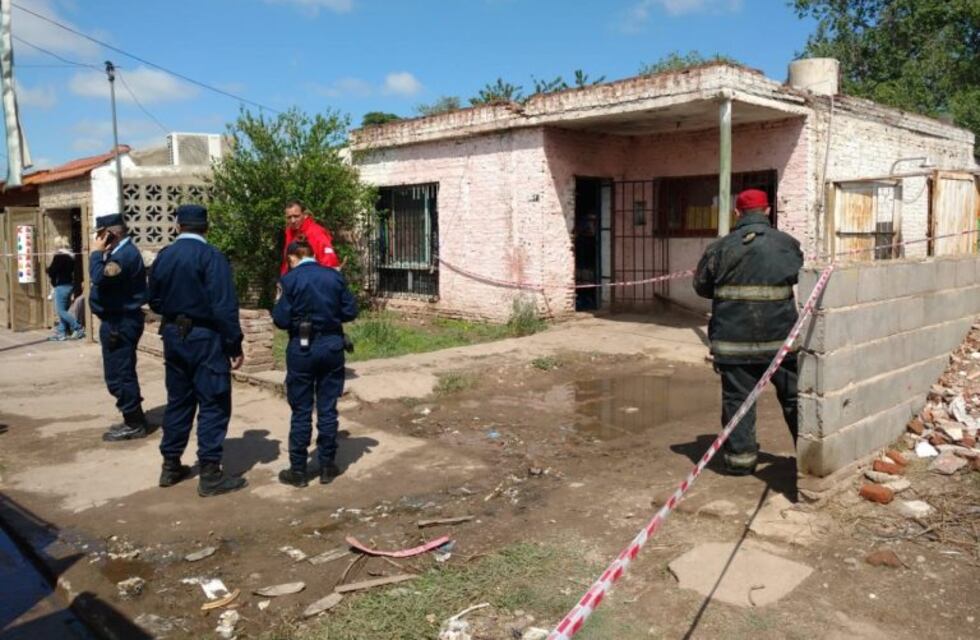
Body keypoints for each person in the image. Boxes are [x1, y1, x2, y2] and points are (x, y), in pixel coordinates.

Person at [693, 189, 804, 476]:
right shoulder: (788, 244)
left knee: (738, 401)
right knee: (794, 400)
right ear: (767, 211)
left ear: (737, 213)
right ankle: (808, 460)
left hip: (734, 344)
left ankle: (741, 462)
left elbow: (702, 287)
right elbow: (799, 275)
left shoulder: (720, 247)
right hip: (781, 344)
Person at [148, 204, 248, 497]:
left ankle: (170, 465)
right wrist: (234, 344)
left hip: (173, 336)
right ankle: (210, 473)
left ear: (178, 226)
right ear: (206, 227)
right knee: (213, 401)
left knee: (179, 401)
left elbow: (153, 300)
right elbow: (224, 306)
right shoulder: (211, 257)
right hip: (205, 338)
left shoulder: (164, 256)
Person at [272, 238, 357, 487]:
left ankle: (298, 470)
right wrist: (328, 315)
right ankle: (327, 466)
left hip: (302, 348)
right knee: (328, 408)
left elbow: (280, 319)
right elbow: (350, 311)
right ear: (312, 254)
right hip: (331, 346)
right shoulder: (333, 277)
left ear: (292, 258)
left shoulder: (289, 280)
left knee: (301, 409)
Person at [89, 214, 149, 442]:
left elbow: (98, 276)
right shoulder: (117, 253)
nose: (98, 238)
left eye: (100, 234)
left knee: (119, 374)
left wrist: (96, 253)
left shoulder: (123, 256)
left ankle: (134, 423)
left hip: (120, 323)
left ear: (110, 234)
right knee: (119, 372)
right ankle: (134, 417)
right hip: (117, 321)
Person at [280, 200, 340, 275]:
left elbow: (329, 261)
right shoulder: (290, 233)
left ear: (305, 215)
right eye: (289, 217)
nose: (292, 220)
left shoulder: (316, 232)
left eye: (296, 216)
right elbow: (287, 262)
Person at [46, 235, 84, 341]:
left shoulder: (59, 256)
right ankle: (61, 333)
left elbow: (52, 270)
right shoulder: (71, 256)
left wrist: (47, 270)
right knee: (64, 310)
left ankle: (78, 328)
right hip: (69, 284)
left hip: (61, 285)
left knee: (61, 311)